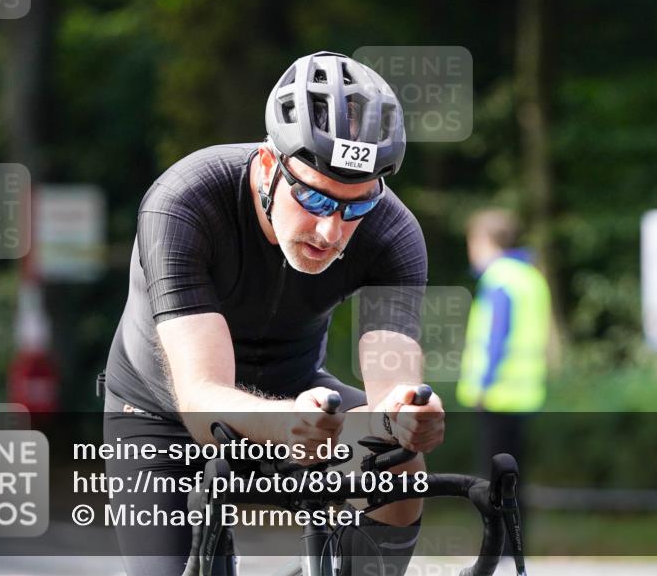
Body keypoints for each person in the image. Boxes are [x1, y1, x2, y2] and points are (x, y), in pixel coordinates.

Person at [102, 51, 445, 576]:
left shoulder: (393, 231)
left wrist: (404, 417)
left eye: (355, 207)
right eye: (315, 197)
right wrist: (287, 424)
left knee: (398, 468)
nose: (332, 232)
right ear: (268, 167)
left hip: (302, 399)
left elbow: (391, 380)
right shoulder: (185, 201)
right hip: (160, 414)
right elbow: (199, 398)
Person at [457, 209, 549, 476]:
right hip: (525, 392)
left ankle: (497, 521)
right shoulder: (530, 276)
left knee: (494, 478)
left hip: (498, 393)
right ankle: (517, 520)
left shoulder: (499, 278)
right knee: (514, 475)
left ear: (485, 241)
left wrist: (483, 385)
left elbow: (497, 336)